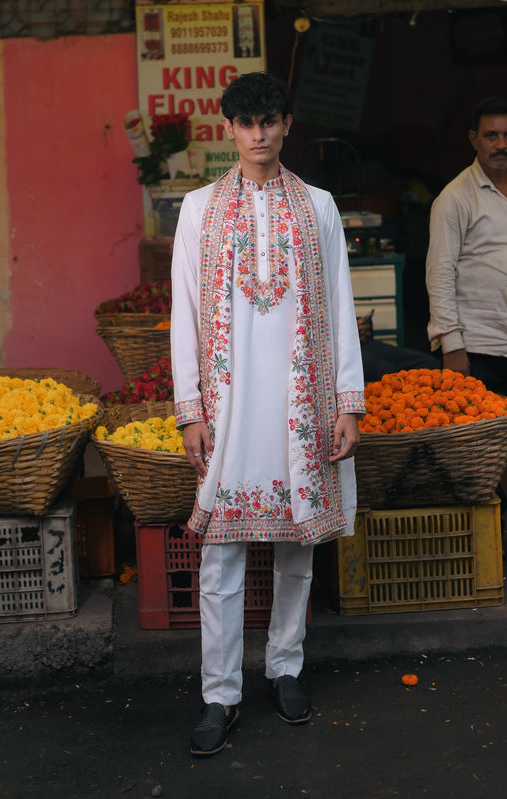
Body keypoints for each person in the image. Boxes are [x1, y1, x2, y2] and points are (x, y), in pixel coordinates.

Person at [170, 71, 365, 757]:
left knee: (295, 547)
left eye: (269, 121)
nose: (257, 134)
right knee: (220, 549)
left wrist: (348, 401)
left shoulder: (317, 207)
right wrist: (188, 409)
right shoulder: (197, 210)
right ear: (228, 128)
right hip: (227, 407)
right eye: (245, 123)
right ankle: (218, 692)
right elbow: (183, 315)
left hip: (299, 403)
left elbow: (340, 305)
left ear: (286, 125)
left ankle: (285, 667)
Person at [425, 96, 507, 395]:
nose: (500, 144)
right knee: (485, 438)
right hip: (479, 348)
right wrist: (452, 345)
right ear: (474, 139)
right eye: (491, 135)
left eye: (506, 135)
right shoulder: (455, 197)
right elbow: (440, 272)